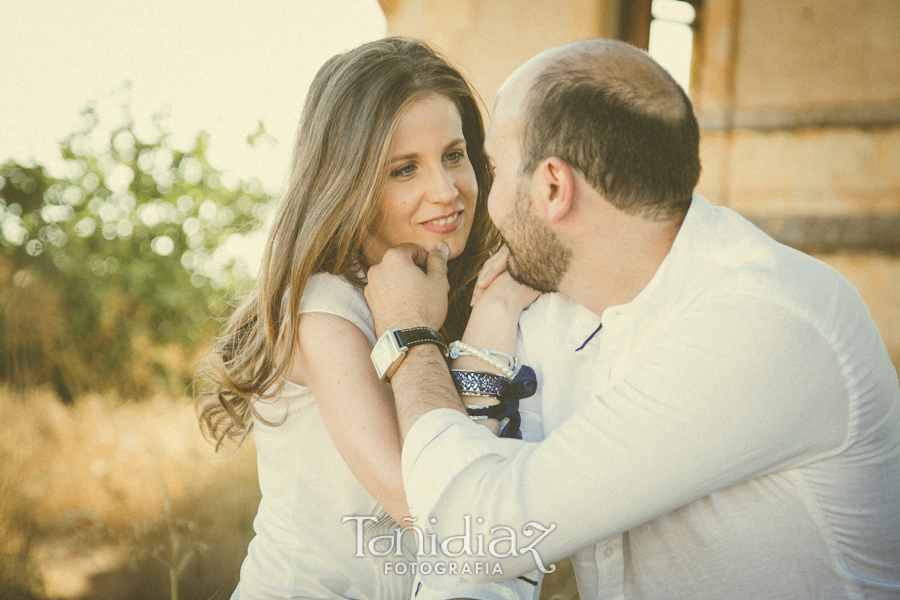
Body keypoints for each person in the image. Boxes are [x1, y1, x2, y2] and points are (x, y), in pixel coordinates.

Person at [364, 38, 900, 599]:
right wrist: (491, 321)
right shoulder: (558, 305)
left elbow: (472, 532)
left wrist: (409, 337)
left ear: (552, 187)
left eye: (494, 169)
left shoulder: (763, 322)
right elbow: (483, 543)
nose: (478, 196)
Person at [197, 38, 541, 599]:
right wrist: (476, 323)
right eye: (405, 169)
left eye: (454, 155)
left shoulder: (448, 282)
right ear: (348, 183)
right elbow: (437, 512)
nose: (446, 190)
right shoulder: (322, 309)